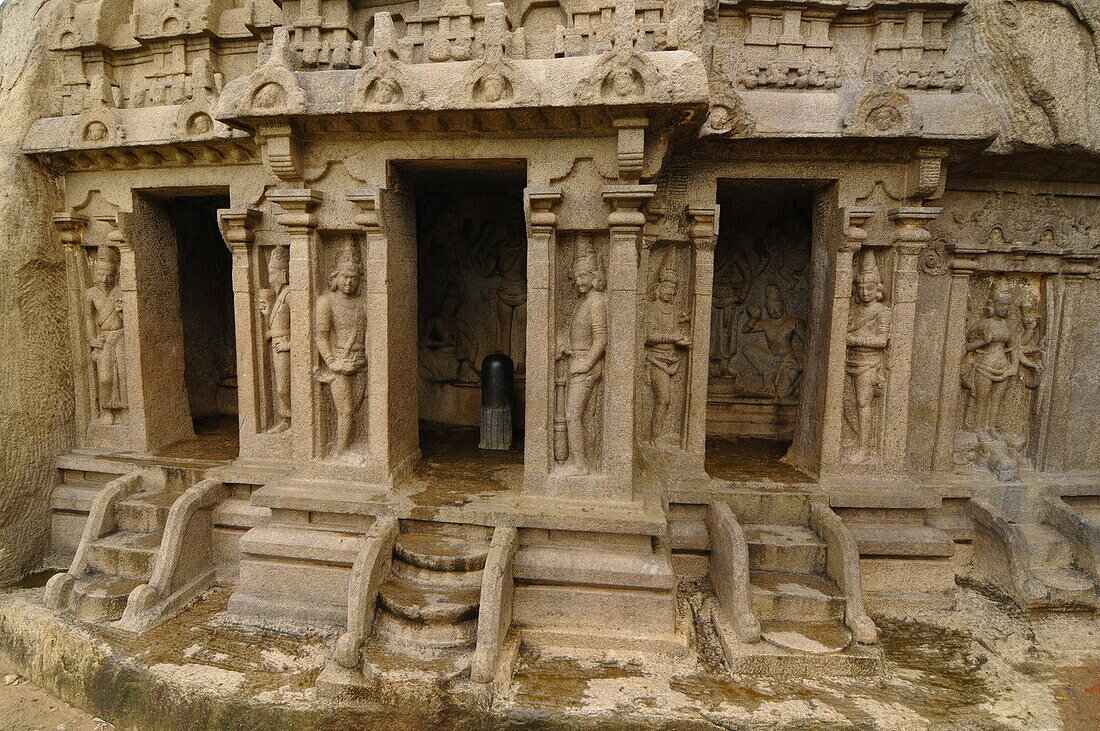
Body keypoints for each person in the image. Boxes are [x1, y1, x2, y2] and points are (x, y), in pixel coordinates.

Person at [315, 244, 368, 457]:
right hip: (339, 359)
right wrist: (333, 362)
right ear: (335, 278)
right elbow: (321, 335)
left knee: (354, 408)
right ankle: (340, 449)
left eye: (354, 278)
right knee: (345, 411)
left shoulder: (364, 302)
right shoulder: (326, 301)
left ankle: (350, 442)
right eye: (345, 277)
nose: (349, 282)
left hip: (360, 361)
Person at [560, 235, 607, 476]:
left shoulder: (597, 300)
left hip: (586, 366)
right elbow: (580, 334)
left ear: (594, 277)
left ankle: (580, 464)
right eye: (576, 276)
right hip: (577, 360)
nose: (578, 281)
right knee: (578, 415)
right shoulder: (584, 301)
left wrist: (586, 363)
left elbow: (601, 340)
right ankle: (574, 459)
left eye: (583, 276)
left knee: (572, 414)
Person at [845, 251, 891, 463]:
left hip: (869, 363)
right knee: (847, 404)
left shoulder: (882, 312)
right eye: (861, 287)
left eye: (869, 288)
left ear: (878, 289)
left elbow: (882, 341)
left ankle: (864, 448)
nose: (864, 292)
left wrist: (856, 339)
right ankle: (852, 439)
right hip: (849, 360)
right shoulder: (853, 309)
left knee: (863, 404)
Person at [645, 266, 691, 443]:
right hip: (656, 359)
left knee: (667, 401)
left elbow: (679, 324)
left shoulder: (673, 311)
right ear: (658, 288)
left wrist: (681, 334)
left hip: (672, 358)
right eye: (666, 287)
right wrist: (672, 338)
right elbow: (648, 336)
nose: (669, 292)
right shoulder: (651, 309)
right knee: (663, 399)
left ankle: (659, 435)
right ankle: (655, 437)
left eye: (673, 289)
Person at [962, 289, 1017, 433]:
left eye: (1008, 305)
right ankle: (978, 428)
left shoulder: (1006, 325)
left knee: (997, 401)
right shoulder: (983, 323)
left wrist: (1014, 366)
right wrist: (983, 341)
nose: (1005, 308)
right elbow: (967, 346)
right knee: (982, 399)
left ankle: (991, 428)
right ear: (993, 304)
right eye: (1002, 304)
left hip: (1003, 367)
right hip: (984, 366)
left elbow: (1013, 347)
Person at [84, 246, 127, 424]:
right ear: (95, 272)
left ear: (115, 275)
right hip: (104, 339)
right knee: (105, 377)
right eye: (101, 274)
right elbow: (88, 319)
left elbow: (129, 318)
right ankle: (107, 409)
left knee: (123, 375)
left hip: (120, 336)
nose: (104, 279)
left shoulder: (120, 292)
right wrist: (92, 340)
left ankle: (124, 409)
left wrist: (122, 312)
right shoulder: (91, 294)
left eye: (109, 275)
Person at [741, 283, 805, 398]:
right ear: (766, 308)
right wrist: (754, 317)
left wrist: (801, 365)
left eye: (777, 307)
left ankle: (798, 383)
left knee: (781, 394)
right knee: (747, 348)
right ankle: (766, 373)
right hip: (771, 358)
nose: (775, 311)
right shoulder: (766, 324)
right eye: (771, 308)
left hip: (787, 361)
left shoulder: (793, 322)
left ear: (783, 306)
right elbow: (745, 330)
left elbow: (809, 344)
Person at [258, 247, 291, 433]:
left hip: (285, 346)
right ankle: (286, 419)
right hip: (277, 345)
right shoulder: (278, 296)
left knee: (283, 388)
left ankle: (293, 420)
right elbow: (276, 324)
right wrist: (266, 313)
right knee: (280, 387)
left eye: (273, 273)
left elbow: (303, 325)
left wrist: (289, 344)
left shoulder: (289, 295)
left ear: (283, 273)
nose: (270, 277)